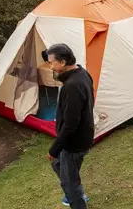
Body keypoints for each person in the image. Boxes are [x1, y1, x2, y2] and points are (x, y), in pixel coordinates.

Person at [44, 43, 94, 208]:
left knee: (69, 183)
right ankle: (76, 191)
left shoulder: (72, 85)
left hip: (74, 143)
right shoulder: (82, 73)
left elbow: (71, 124)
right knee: (57, 164)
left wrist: (54, 149)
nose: (50, 66)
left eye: (52, 63)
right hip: (79, 137)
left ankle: (77, 197)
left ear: (63, 62)